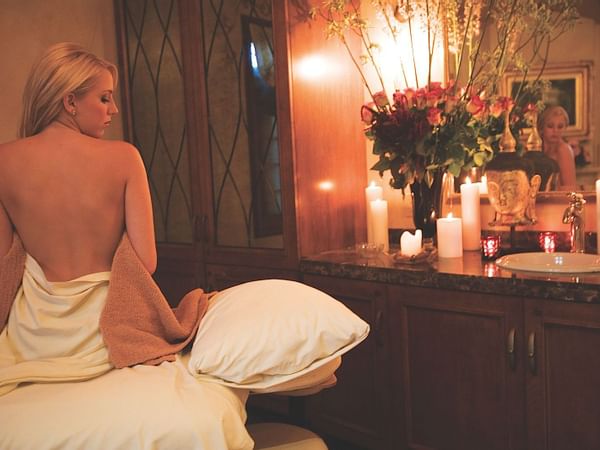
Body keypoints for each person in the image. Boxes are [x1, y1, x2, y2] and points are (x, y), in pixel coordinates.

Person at [0, 42, 156, 395]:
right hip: (100, 333)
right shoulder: (124, 157)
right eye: (104, 98)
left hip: (32, 334)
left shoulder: (3, 161)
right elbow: (145, 261)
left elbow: (4, 263)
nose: (113, 109)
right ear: (70, 102)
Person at [537, 105, 577, 190]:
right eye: (550, 126)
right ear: (541, 128)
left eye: (560, 127)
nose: (555, 131)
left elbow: (569, 187)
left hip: (557, 200)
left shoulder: (564, 149)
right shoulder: (537, 148)